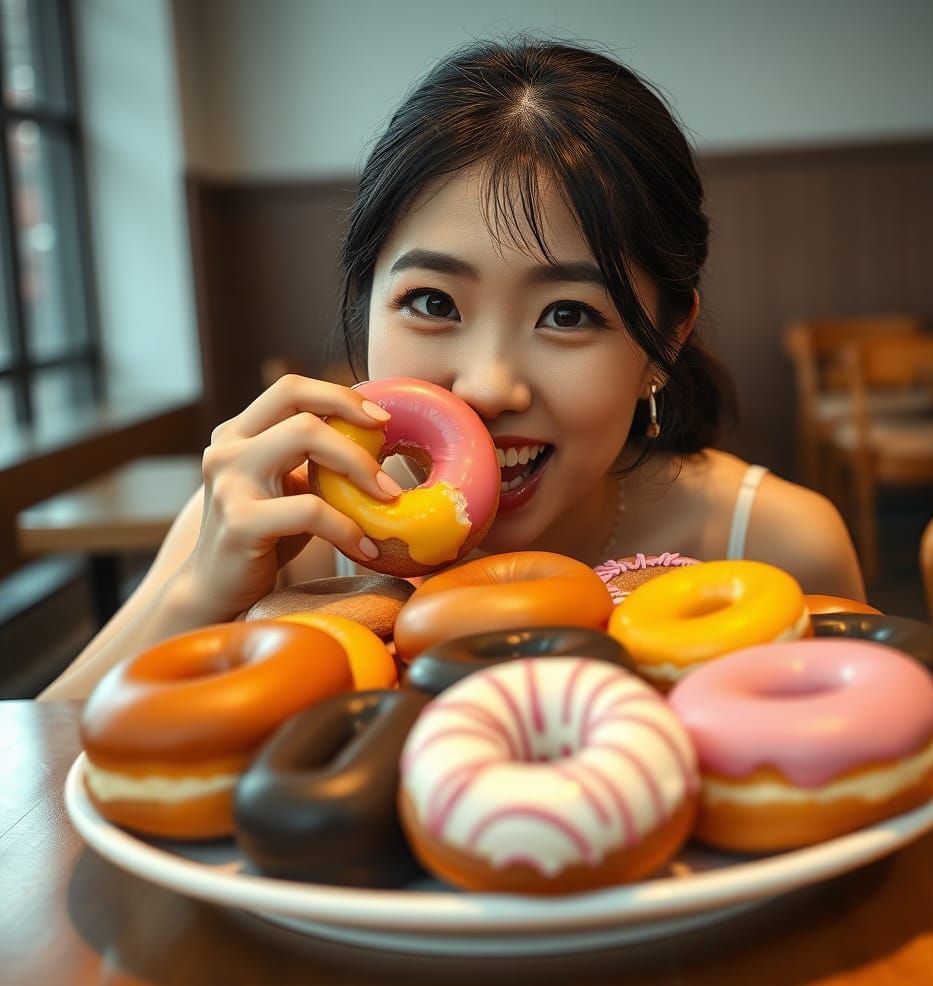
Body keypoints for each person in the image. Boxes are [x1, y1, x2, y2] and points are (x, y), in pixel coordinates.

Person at [40, 37, 864, 700]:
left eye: (568, 314)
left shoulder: (774, 549)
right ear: (365, 305)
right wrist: (199, 598)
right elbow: (36, 783)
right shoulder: (278, 530)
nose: (486, 386)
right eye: (433, 303)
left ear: (664, 339)